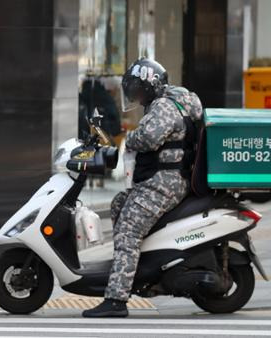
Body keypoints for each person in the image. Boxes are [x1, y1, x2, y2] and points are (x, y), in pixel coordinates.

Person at [82, 58, 203, 317]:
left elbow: (147, 138)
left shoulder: (163, 106)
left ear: (151, 85)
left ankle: (116, 300)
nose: (135, 94)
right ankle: (134, 268)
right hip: (165, 179)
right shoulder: (179, 100)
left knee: (128, 229)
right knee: (118, 203)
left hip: (163, 182)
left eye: (138, 89)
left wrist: (130, 137)